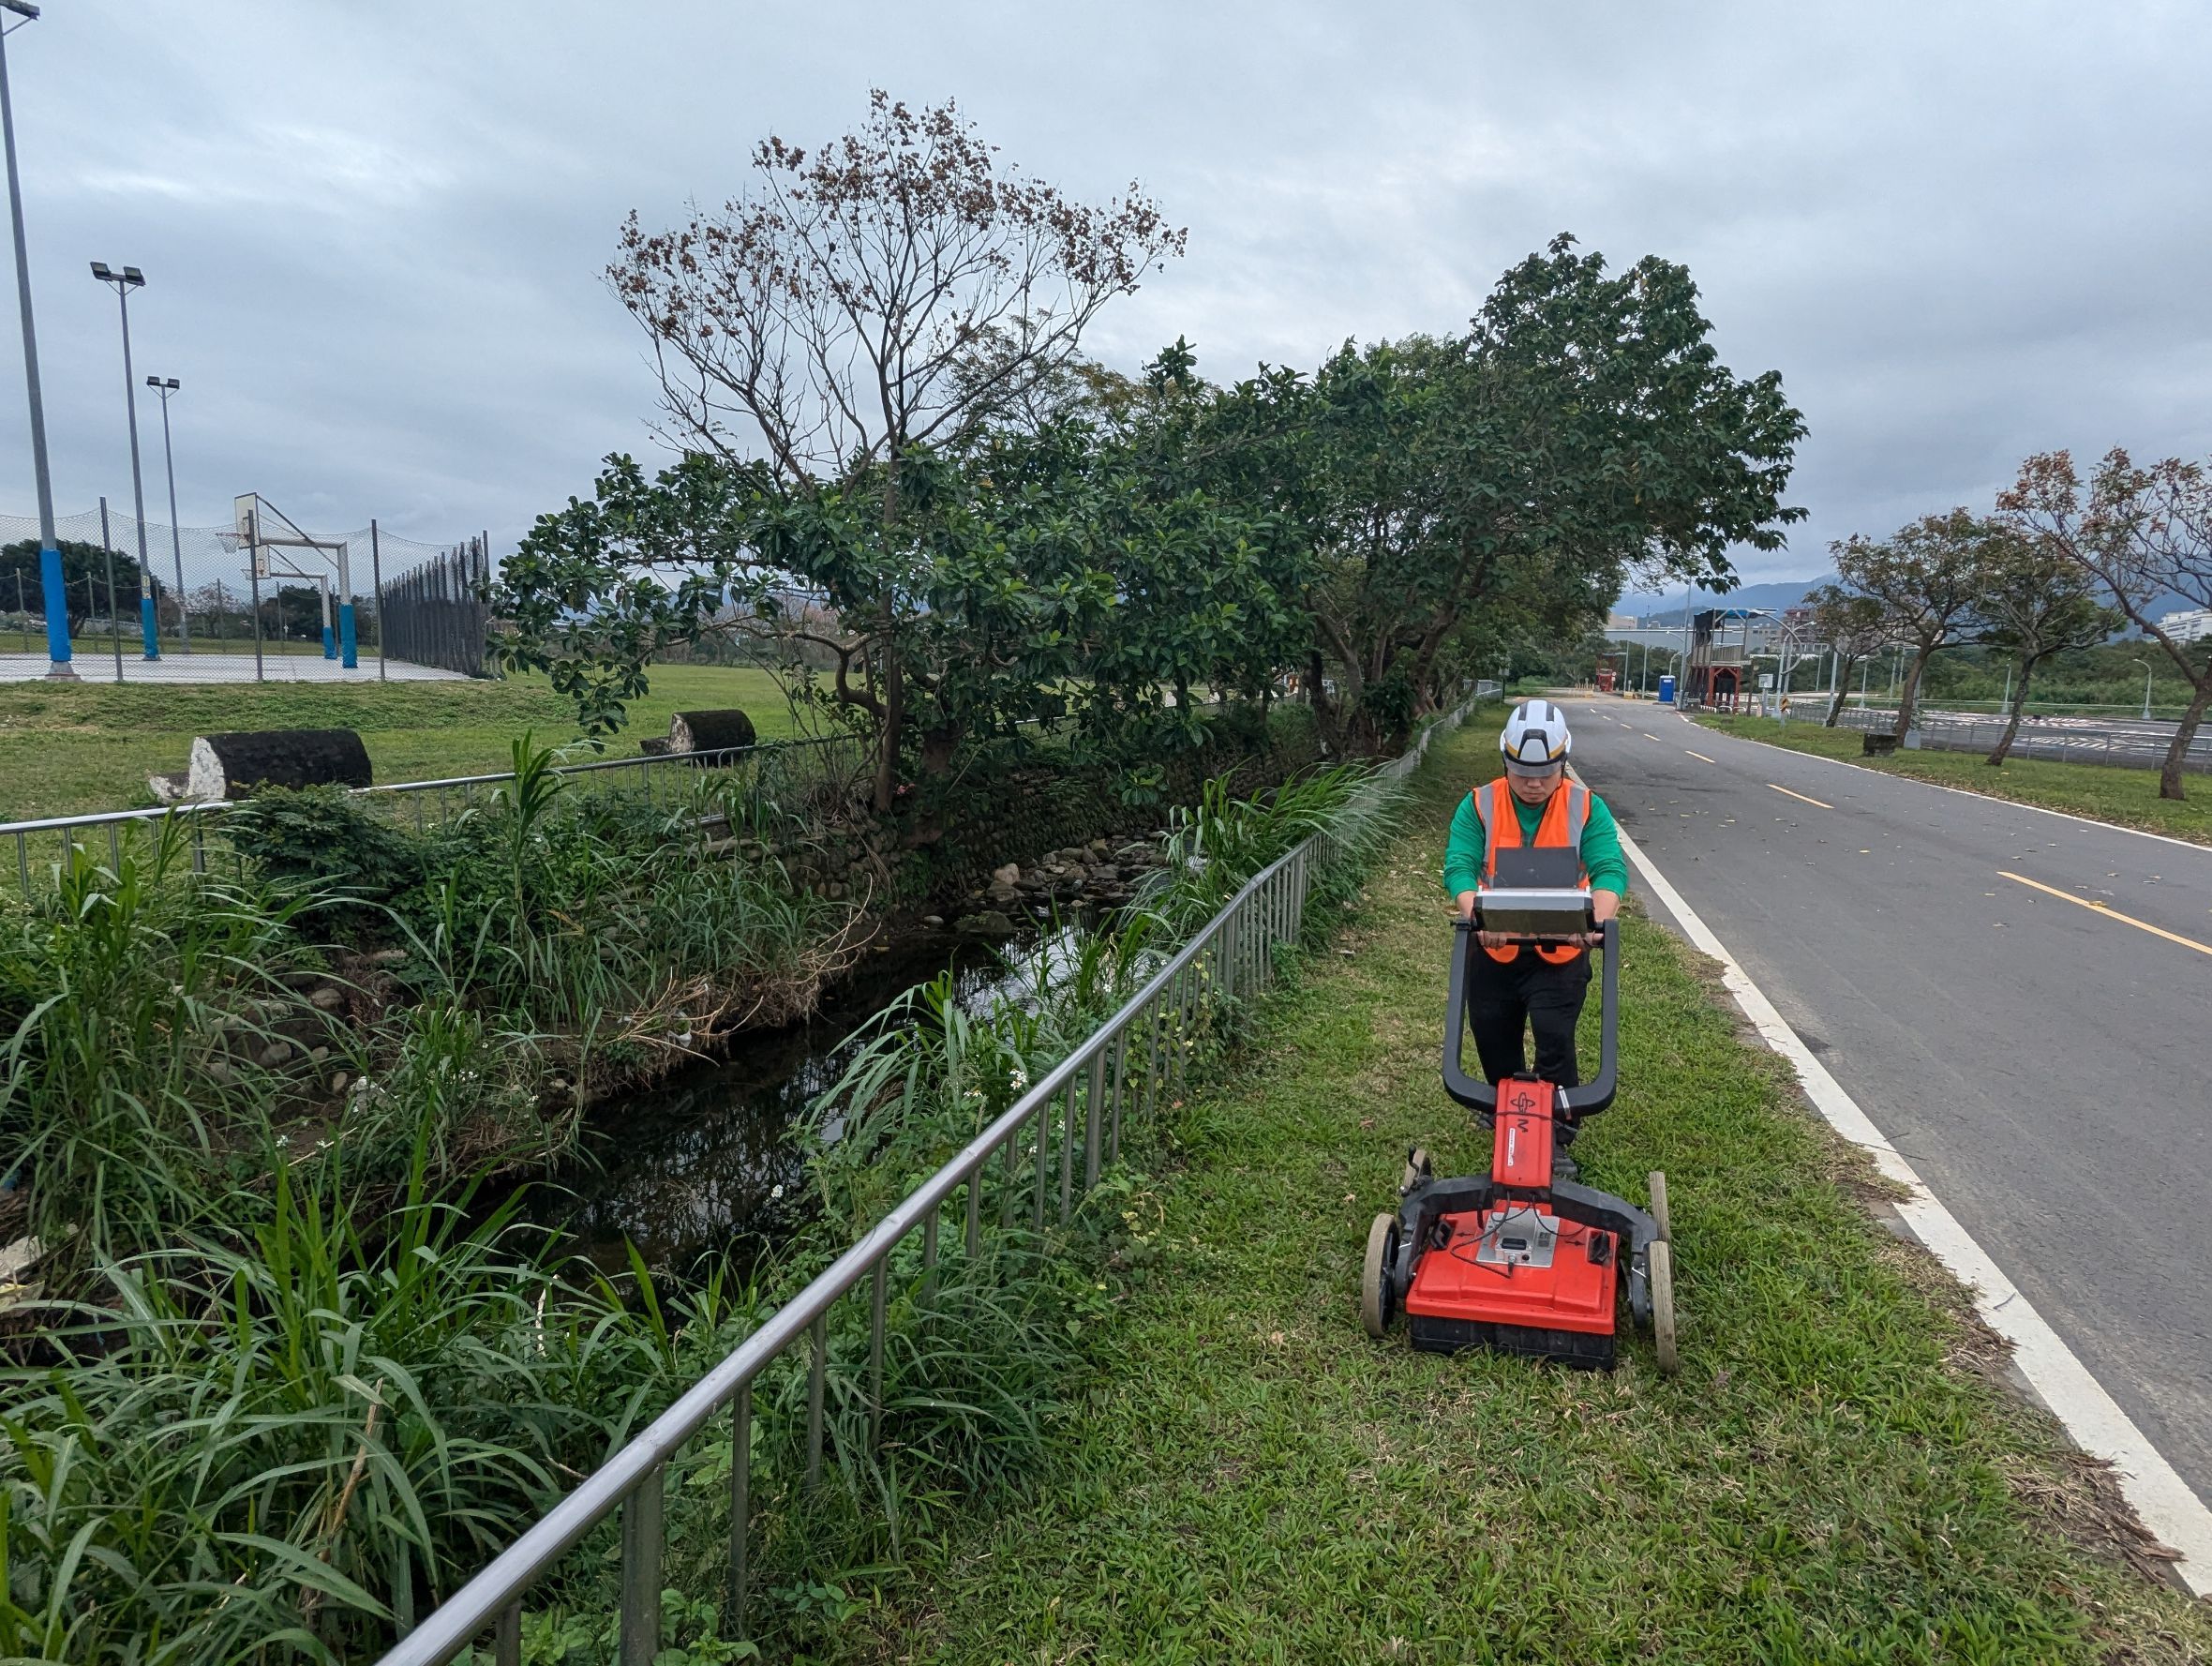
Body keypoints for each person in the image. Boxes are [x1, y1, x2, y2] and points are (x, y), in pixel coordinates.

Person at [1442, 699, 1628, 1095]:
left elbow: (1609, 869)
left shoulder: (1586, 807)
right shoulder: (1478, 804)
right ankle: (1505, 1109)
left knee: (1554, 1036)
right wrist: (1477, 916)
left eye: (1545, 772)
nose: (1533, 783)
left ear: (1563, 762)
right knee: (1493, 1036)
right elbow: (1459, 867)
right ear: (1505, 760)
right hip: (1495, 948)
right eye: (1522, 771)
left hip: (1561, 950)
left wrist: (1595, 920)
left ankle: (1558, 1130)